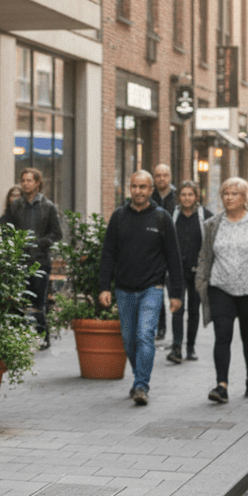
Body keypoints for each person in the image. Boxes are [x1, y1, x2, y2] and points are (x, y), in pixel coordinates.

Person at [98, 170, 184, 406]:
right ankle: (140, 376)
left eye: (143, 187)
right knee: (129, 340)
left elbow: (173, 258)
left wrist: (176, 294)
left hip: (152, 288)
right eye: (134, 186)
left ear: (150, 190)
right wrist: (104, 287)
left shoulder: (162, 218)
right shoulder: (118, 217)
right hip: (124, 289)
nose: (138, 191)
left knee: (145, 335)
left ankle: (141, 385)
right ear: (129, 188)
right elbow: (108, 254)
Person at [195, 177, 248, 404]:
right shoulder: (213, 224)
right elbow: (205, 256)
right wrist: (200, 282)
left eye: (234, 194)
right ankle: (221, 385)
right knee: (222, 336)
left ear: (245, 198)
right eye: (225, 193)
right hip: (220, 287)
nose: (229, 198)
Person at [0, 168, 62, 348]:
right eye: (23, 180)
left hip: (40, 260)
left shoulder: (48, 206)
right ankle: (17, 338)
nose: (25, 183)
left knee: (38, 302)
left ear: (37, 183)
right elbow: (7, 230)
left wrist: (43, 242)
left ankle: (43, 336)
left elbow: (57, 233)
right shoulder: (15, 206)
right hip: (19, 261)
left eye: (29, 180)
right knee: (16, 300)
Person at [167, 181, 214, 364]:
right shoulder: (172, 215)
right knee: (177, 308)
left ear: (196, 196)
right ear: (179, 196)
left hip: (197, 271)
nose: (187, 198)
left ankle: (191, 347)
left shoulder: (205, 216)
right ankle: (176, 347)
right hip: (176, 271)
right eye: (183, 194)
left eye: (190, 194)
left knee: (194, 310)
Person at [151, 164, 178, 340]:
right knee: (156, 291)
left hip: (174, 250)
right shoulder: (149, 197)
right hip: (154, 251)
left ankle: (178, 334)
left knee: (175, 291)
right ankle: (160, 328)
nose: (161, 178)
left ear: (170, 177)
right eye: (158, 175)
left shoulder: (177, 198)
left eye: (165, 175)